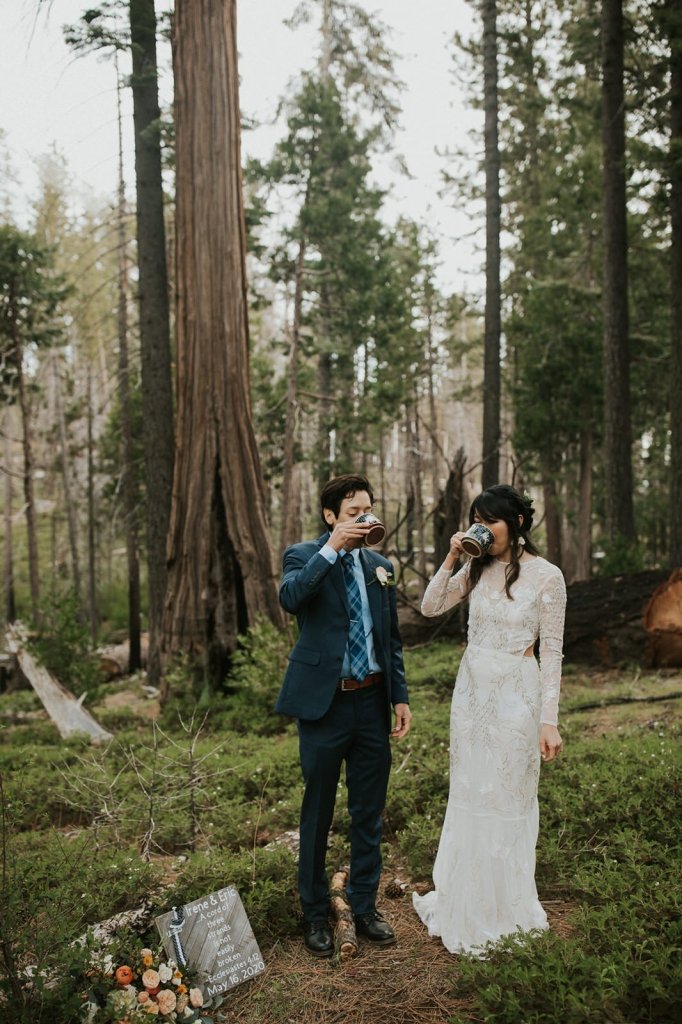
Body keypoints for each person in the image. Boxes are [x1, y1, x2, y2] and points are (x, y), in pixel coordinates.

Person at [412, 484, 566, 955]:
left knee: (506, 794)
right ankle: (465, 897)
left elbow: (554, 651)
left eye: (491, 520)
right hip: (472, 694)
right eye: (477, 518)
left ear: (516, 523)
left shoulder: (547, 577)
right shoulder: (476, 569)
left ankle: (504, 907)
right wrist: (452, 557)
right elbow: (430, 606)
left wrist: (548, 719)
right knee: (470, 790)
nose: (484, 528)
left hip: (516, 695)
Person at [276, 473, 412, 957]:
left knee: (369, 813)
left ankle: (364, 906)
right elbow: (291, 598)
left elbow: (390, 637)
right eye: (354, 513)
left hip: (372, 703)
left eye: (368, 510)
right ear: (331, 515)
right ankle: (314, 914)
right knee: (317, 813)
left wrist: (400, 696)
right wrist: (332, 547)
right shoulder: (303, 555)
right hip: (324, 705)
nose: (364, 520)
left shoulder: (381, 565)